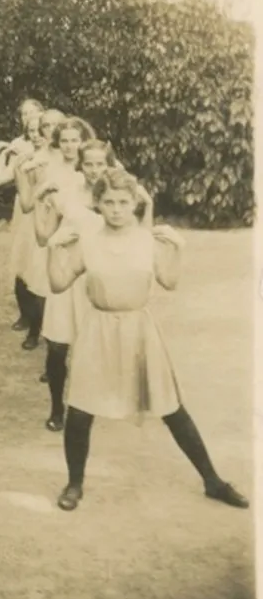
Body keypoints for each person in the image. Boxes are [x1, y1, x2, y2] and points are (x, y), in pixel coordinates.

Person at [47, 168, 248, 512]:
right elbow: (58, 284)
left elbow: (169, 281)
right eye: (108, 202)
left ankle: (213, 481)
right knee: (80, 411)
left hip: (140, 331)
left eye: (123, 202)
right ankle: (74, 483)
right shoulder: (88, 242)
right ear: (97, 203)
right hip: (98, 330)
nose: (116, 209)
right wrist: (53, 249)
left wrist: (178, 248)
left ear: (135, 203)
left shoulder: (146, 241)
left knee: (172, 409)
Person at [32, 122, 107, 431]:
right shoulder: (65, 190)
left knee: (94, 345)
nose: (93, 170)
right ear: (80, 163)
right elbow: (42, 236)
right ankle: (56, 409)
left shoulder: (116, 192)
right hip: (66, 274)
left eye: (99, 164)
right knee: (58, 346)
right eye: (87, 164)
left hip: (96, 275)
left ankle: (89, 405)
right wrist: (40, 202)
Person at [13, 108, 67, 350]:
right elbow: (25, 205)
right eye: (46, 125)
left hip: (72, 228)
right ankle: (37, 332)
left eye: (58, 124)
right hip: (45, 227)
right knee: (40, 285)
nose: (52, 130)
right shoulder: (33, 161)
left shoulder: (75, 155)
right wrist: (23, 175)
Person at [0, 103, 43, 334]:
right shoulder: (18, 146)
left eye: (34, 113)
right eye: (24, 113)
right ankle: (26, 315)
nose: (29, 118)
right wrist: (0, 158)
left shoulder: (58, 147)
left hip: (50, 206)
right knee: (23, 259)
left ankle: (45, 319)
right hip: (25, 207)